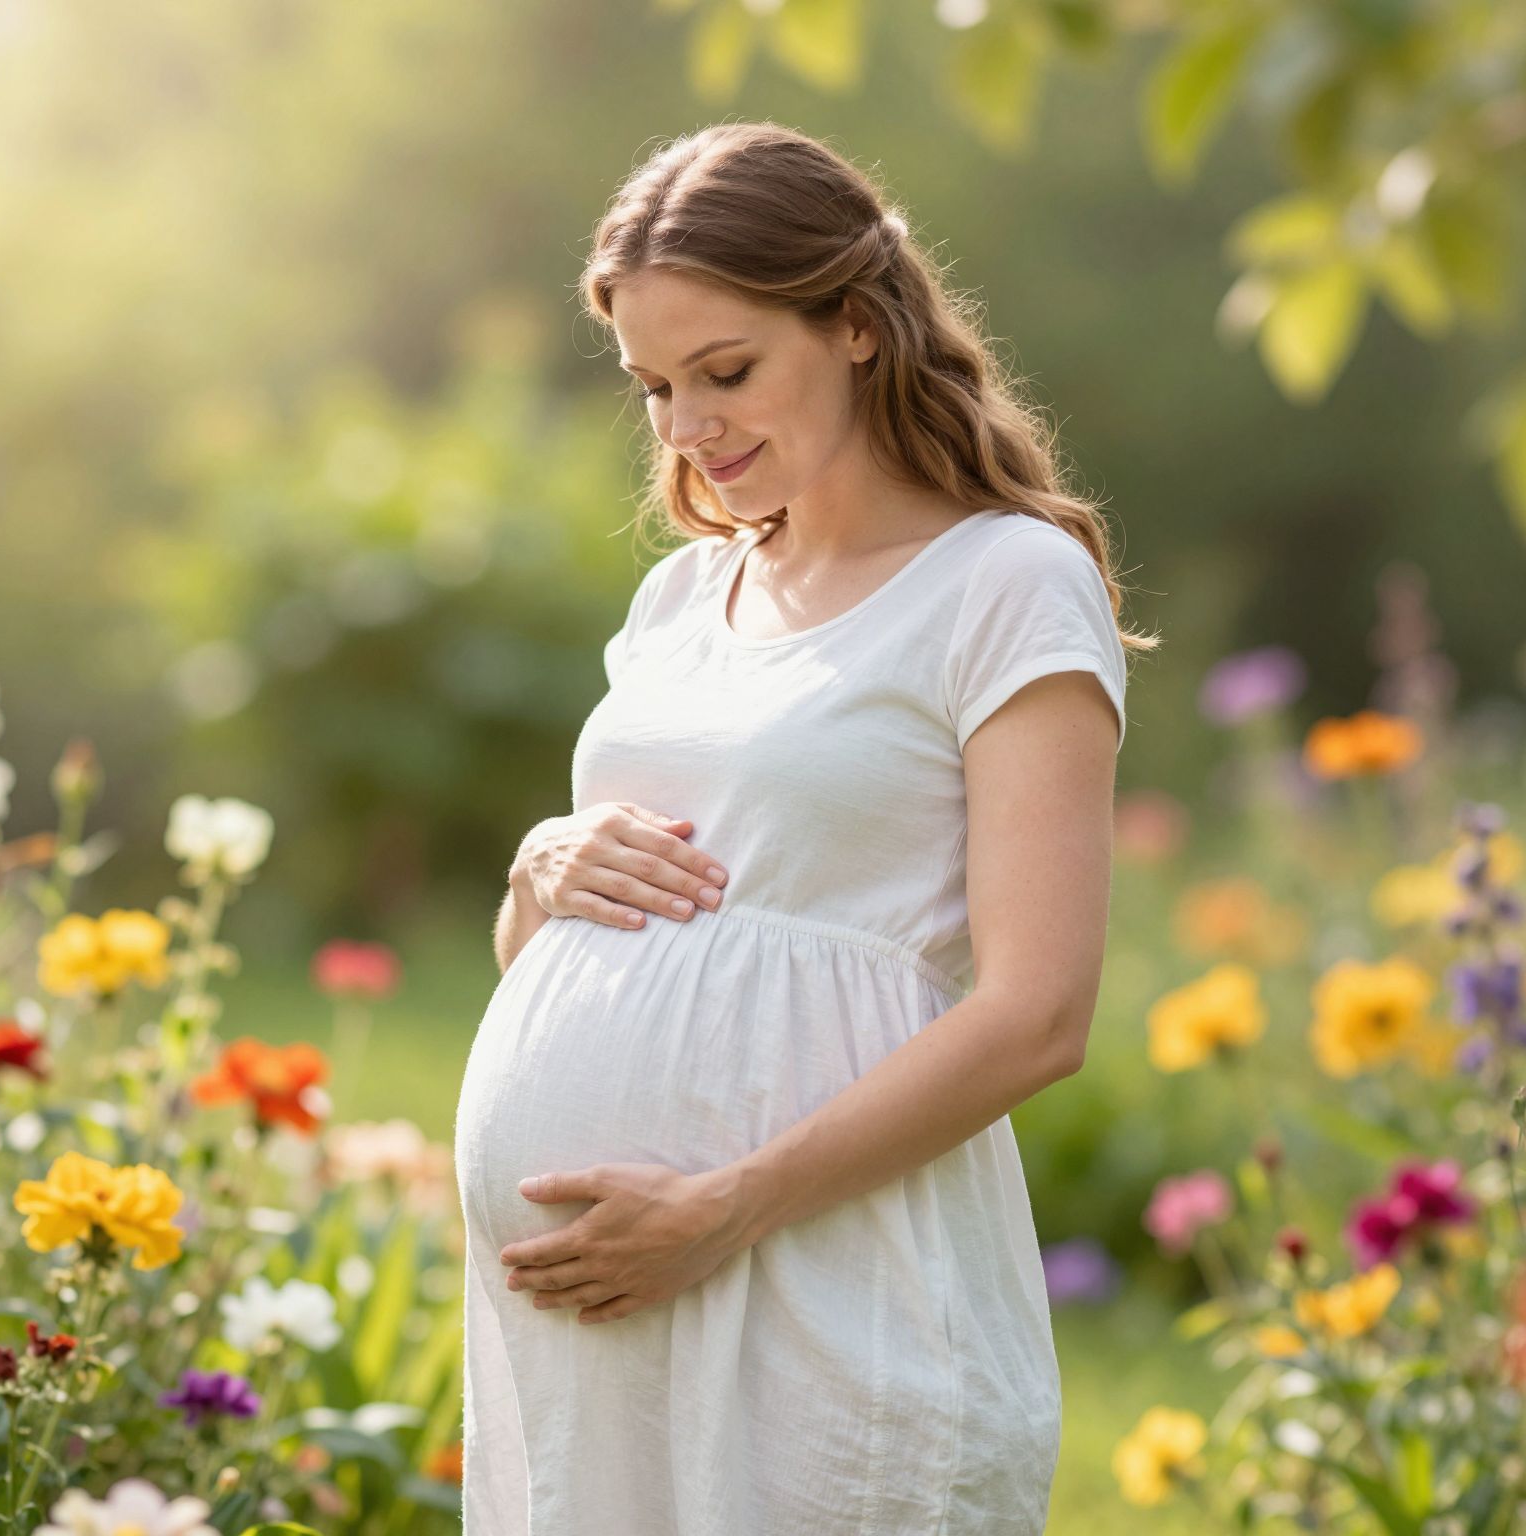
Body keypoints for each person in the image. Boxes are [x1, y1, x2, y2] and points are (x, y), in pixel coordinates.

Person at [452, 121, 1157, 1534]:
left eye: (725, 372)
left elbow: (1040, 1014)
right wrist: (539, 867)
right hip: (593, 1334)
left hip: (824, 1290)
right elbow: (550, 949)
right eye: (653, 386)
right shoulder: (678, 602)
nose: (686, 428)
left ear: (855, 327)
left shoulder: (1004, 585)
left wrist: (724, 1206)